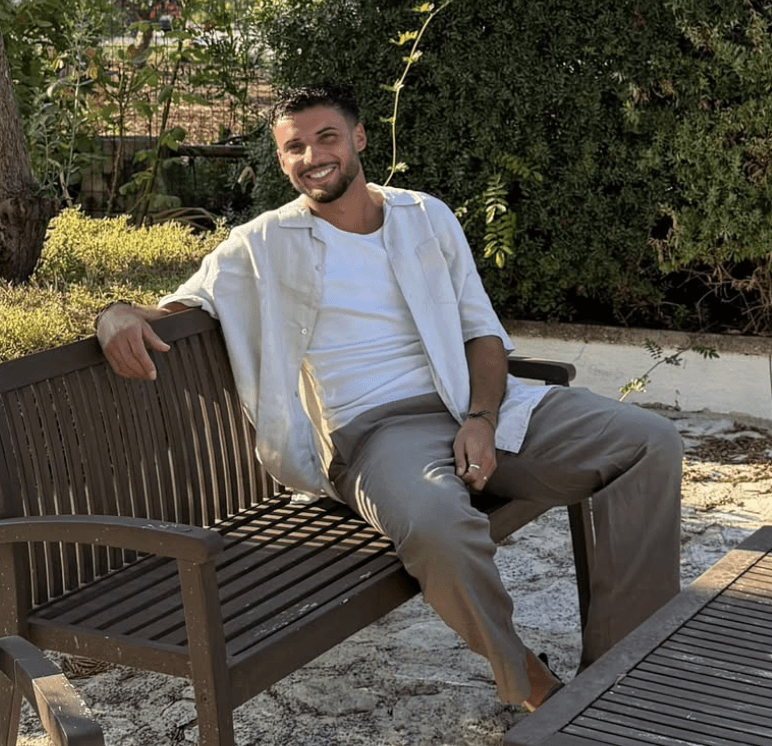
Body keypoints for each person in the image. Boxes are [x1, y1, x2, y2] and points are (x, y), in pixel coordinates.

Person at [97, 84, 682, 712]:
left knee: (650, 443)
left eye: (326, 137)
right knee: (440, 529)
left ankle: (620, 669)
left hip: (480, 403)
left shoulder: (425, 215)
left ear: (359, 138)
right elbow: (180, 306)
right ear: (281, 162)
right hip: (379, 436)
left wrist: (482, 418)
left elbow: (481, 332)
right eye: (294, 147)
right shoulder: (261, 244)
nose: (312, 156)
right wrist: (112, 315)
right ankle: (532, 685)